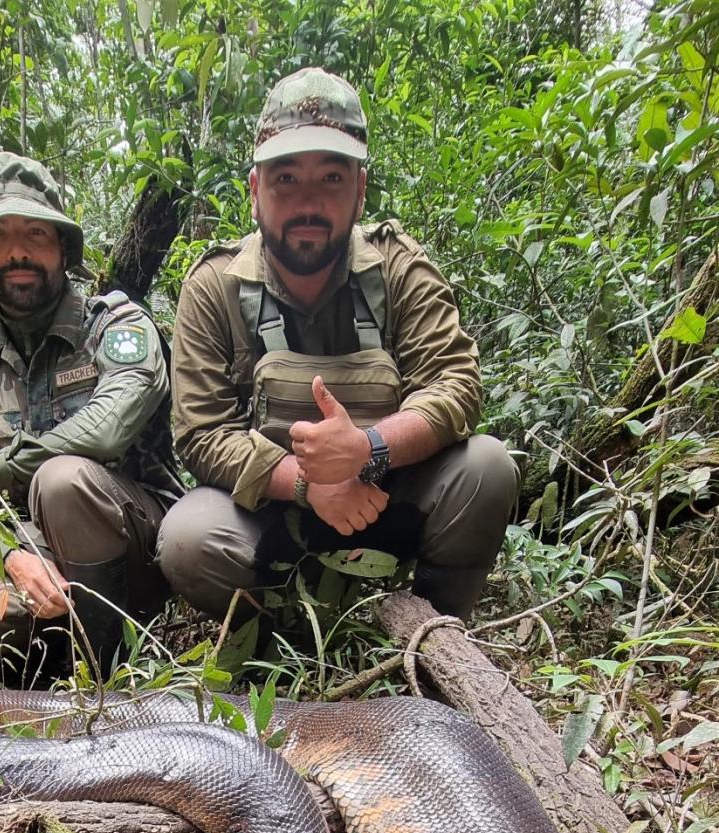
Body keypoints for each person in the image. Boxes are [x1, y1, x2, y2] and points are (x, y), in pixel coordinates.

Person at [158, 67, 518, 623]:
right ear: (255, 192)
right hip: (269, 516)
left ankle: (435, 633)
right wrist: (308, 484)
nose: (309, 202)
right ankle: (280, 644)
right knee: (188, 536)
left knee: (487, 467)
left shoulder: (396, 264)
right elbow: (202, 434)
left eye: (331, 178)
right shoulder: (215, 284)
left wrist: (368, 448)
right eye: (285, 179)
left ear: (360, 191)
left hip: (385, 500)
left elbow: (456, 383)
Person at [0, 151, 182, 670]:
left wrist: (3, 470)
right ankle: (64, 659)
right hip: (43, 547)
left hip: (143, 544)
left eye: (35, 235)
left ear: (63, 249)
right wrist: (11, 555)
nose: (17, 253)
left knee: (61, 479)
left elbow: (111, 426)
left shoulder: (115, 326)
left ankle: (110, 669)